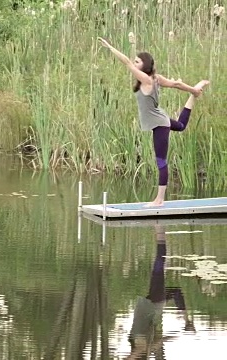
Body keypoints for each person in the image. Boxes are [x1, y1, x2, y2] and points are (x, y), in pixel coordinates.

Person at [97, 37, 210, 207]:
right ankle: (193, 96)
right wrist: (194, 89)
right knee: (180, 126)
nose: (134, 63)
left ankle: (159, 200)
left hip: (159, 124)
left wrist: (110, 47)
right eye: (135, 61)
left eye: (138, 61)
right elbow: (176, 84)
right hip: (160, 119)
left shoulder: (148, 80)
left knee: (161, 161)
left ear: (145, 65)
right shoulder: (156, 79)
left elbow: (126, 62)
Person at [126, 225, 195, 359]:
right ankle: (187, 320)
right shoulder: (148, 348)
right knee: (175, 291)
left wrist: (135, 355)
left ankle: (160, 231)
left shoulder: (140, 348)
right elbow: (162, 340)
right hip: (151, 306)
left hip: (151, 305)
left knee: (160, 263)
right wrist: (177, 335)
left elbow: (132, 355)